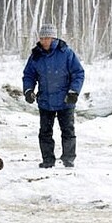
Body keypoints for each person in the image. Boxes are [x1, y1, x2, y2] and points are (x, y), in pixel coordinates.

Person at [22, 24, 85, 168]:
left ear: (53, 38)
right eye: (42, 38)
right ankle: (48, 160)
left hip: (65, 100)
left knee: (68, 130)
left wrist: (73, 91)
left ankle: (68, 158)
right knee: (45, 132)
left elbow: (78, 73)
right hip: (45, 101)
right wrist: (28, 90)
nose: (44, 41)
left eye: (47, 38)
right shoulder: (36, 56)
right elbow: (29, 75)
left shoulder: (66, 53)